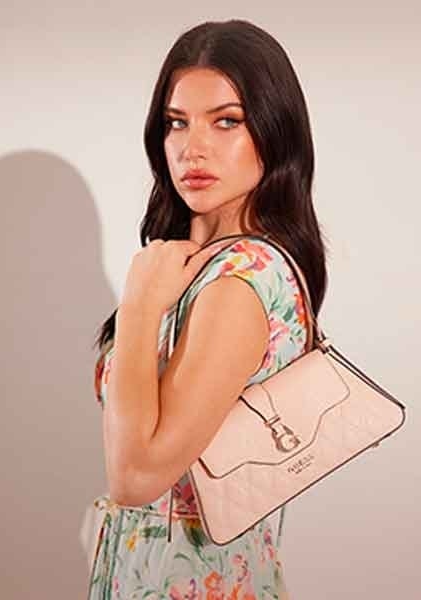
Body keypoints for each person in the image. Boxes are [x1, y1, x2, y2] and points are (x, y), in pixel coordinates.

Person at [88, 18, 329, 600]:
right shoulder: (194, 267)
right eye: (177, 122)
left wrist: (139, 307)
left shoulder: (240, 280)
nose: (193, 148)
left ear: (274, 131)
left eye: (226, 121)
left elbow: (136, 478)